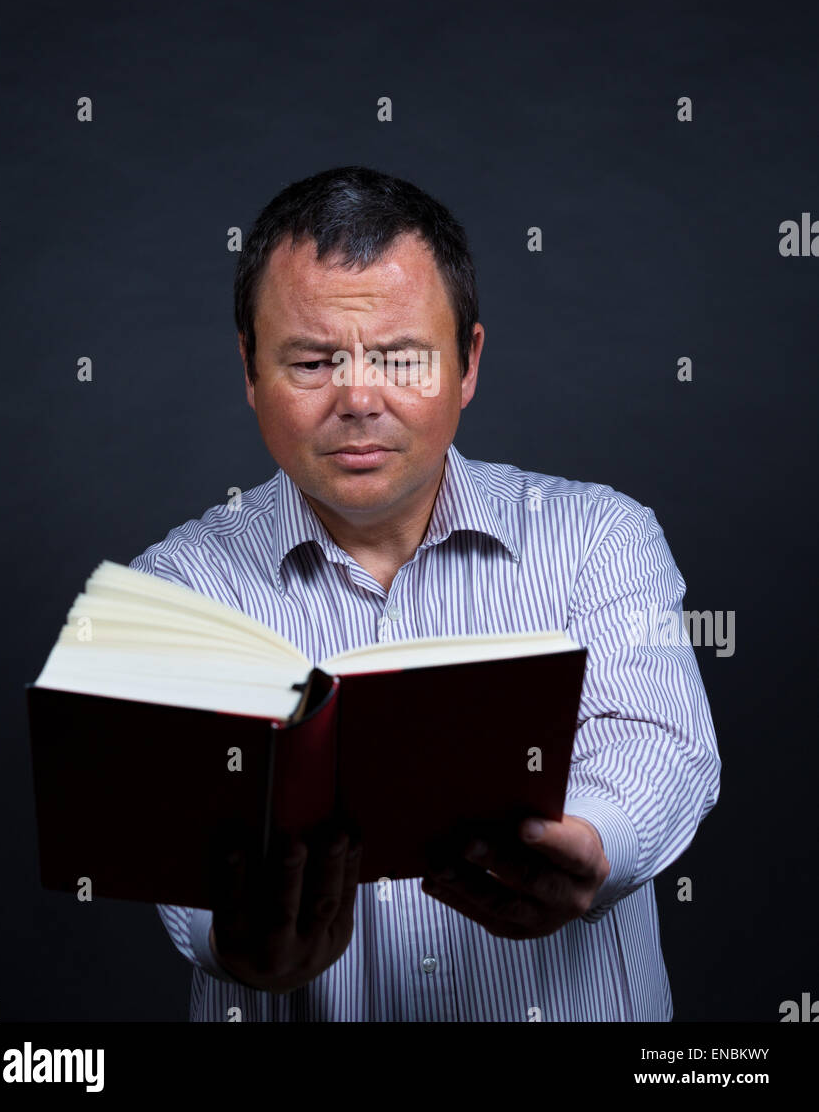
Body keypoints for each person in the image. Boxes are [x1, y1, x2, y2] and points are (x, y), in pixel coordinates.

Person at [130, 164, 720, 1021]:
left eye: (403, 356)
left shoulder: (602, 535)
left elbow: (658, 737)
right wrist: (234, 943)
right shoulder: (176, 591)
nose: (359, 398)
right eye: (310, 360)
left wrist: (591, 844)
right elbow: (176, 832)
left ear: (469, 361)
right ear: (250, 370)